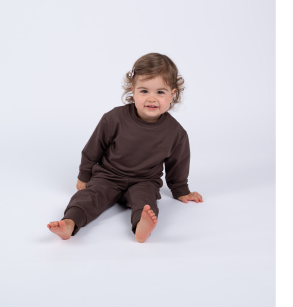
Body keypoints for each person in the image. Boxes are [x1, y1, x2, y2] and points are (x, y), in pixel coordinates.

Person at [47, 52, 203, 242]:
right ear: (133, 90)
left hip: (144, 181)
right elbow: (93, 148)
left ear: (173, 94)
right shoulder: (114, 118)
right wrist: (84, 175)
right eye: (144, 91)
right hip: (108, 176)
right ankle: (70, 223)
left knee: (146, 203)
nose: (151, 98)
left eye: (160, 92)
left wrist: (181, 191)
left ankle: (141, 227)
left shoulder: (176, 133)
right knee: (89, 197)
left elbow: (178, 165)